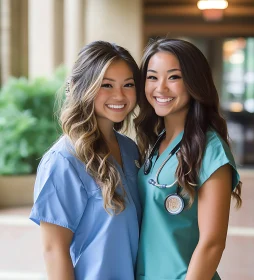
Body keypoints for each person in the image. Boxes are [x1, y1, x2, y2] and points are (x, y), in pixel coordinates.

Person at [29, 40, 141, 280]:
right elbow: (54, 250)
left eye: (128, 84)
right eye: (106, 85)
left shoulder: (130, 150)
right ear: (83, 87)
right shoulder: (63, 161)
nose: (119, 95)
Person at [134, 38, 242, 280]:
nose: (160, 88)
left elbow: (212, 243)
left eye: (174, 77)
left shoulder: (210, 149)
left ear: (194, 82)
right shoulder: (157, 142)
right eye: (152, 77)